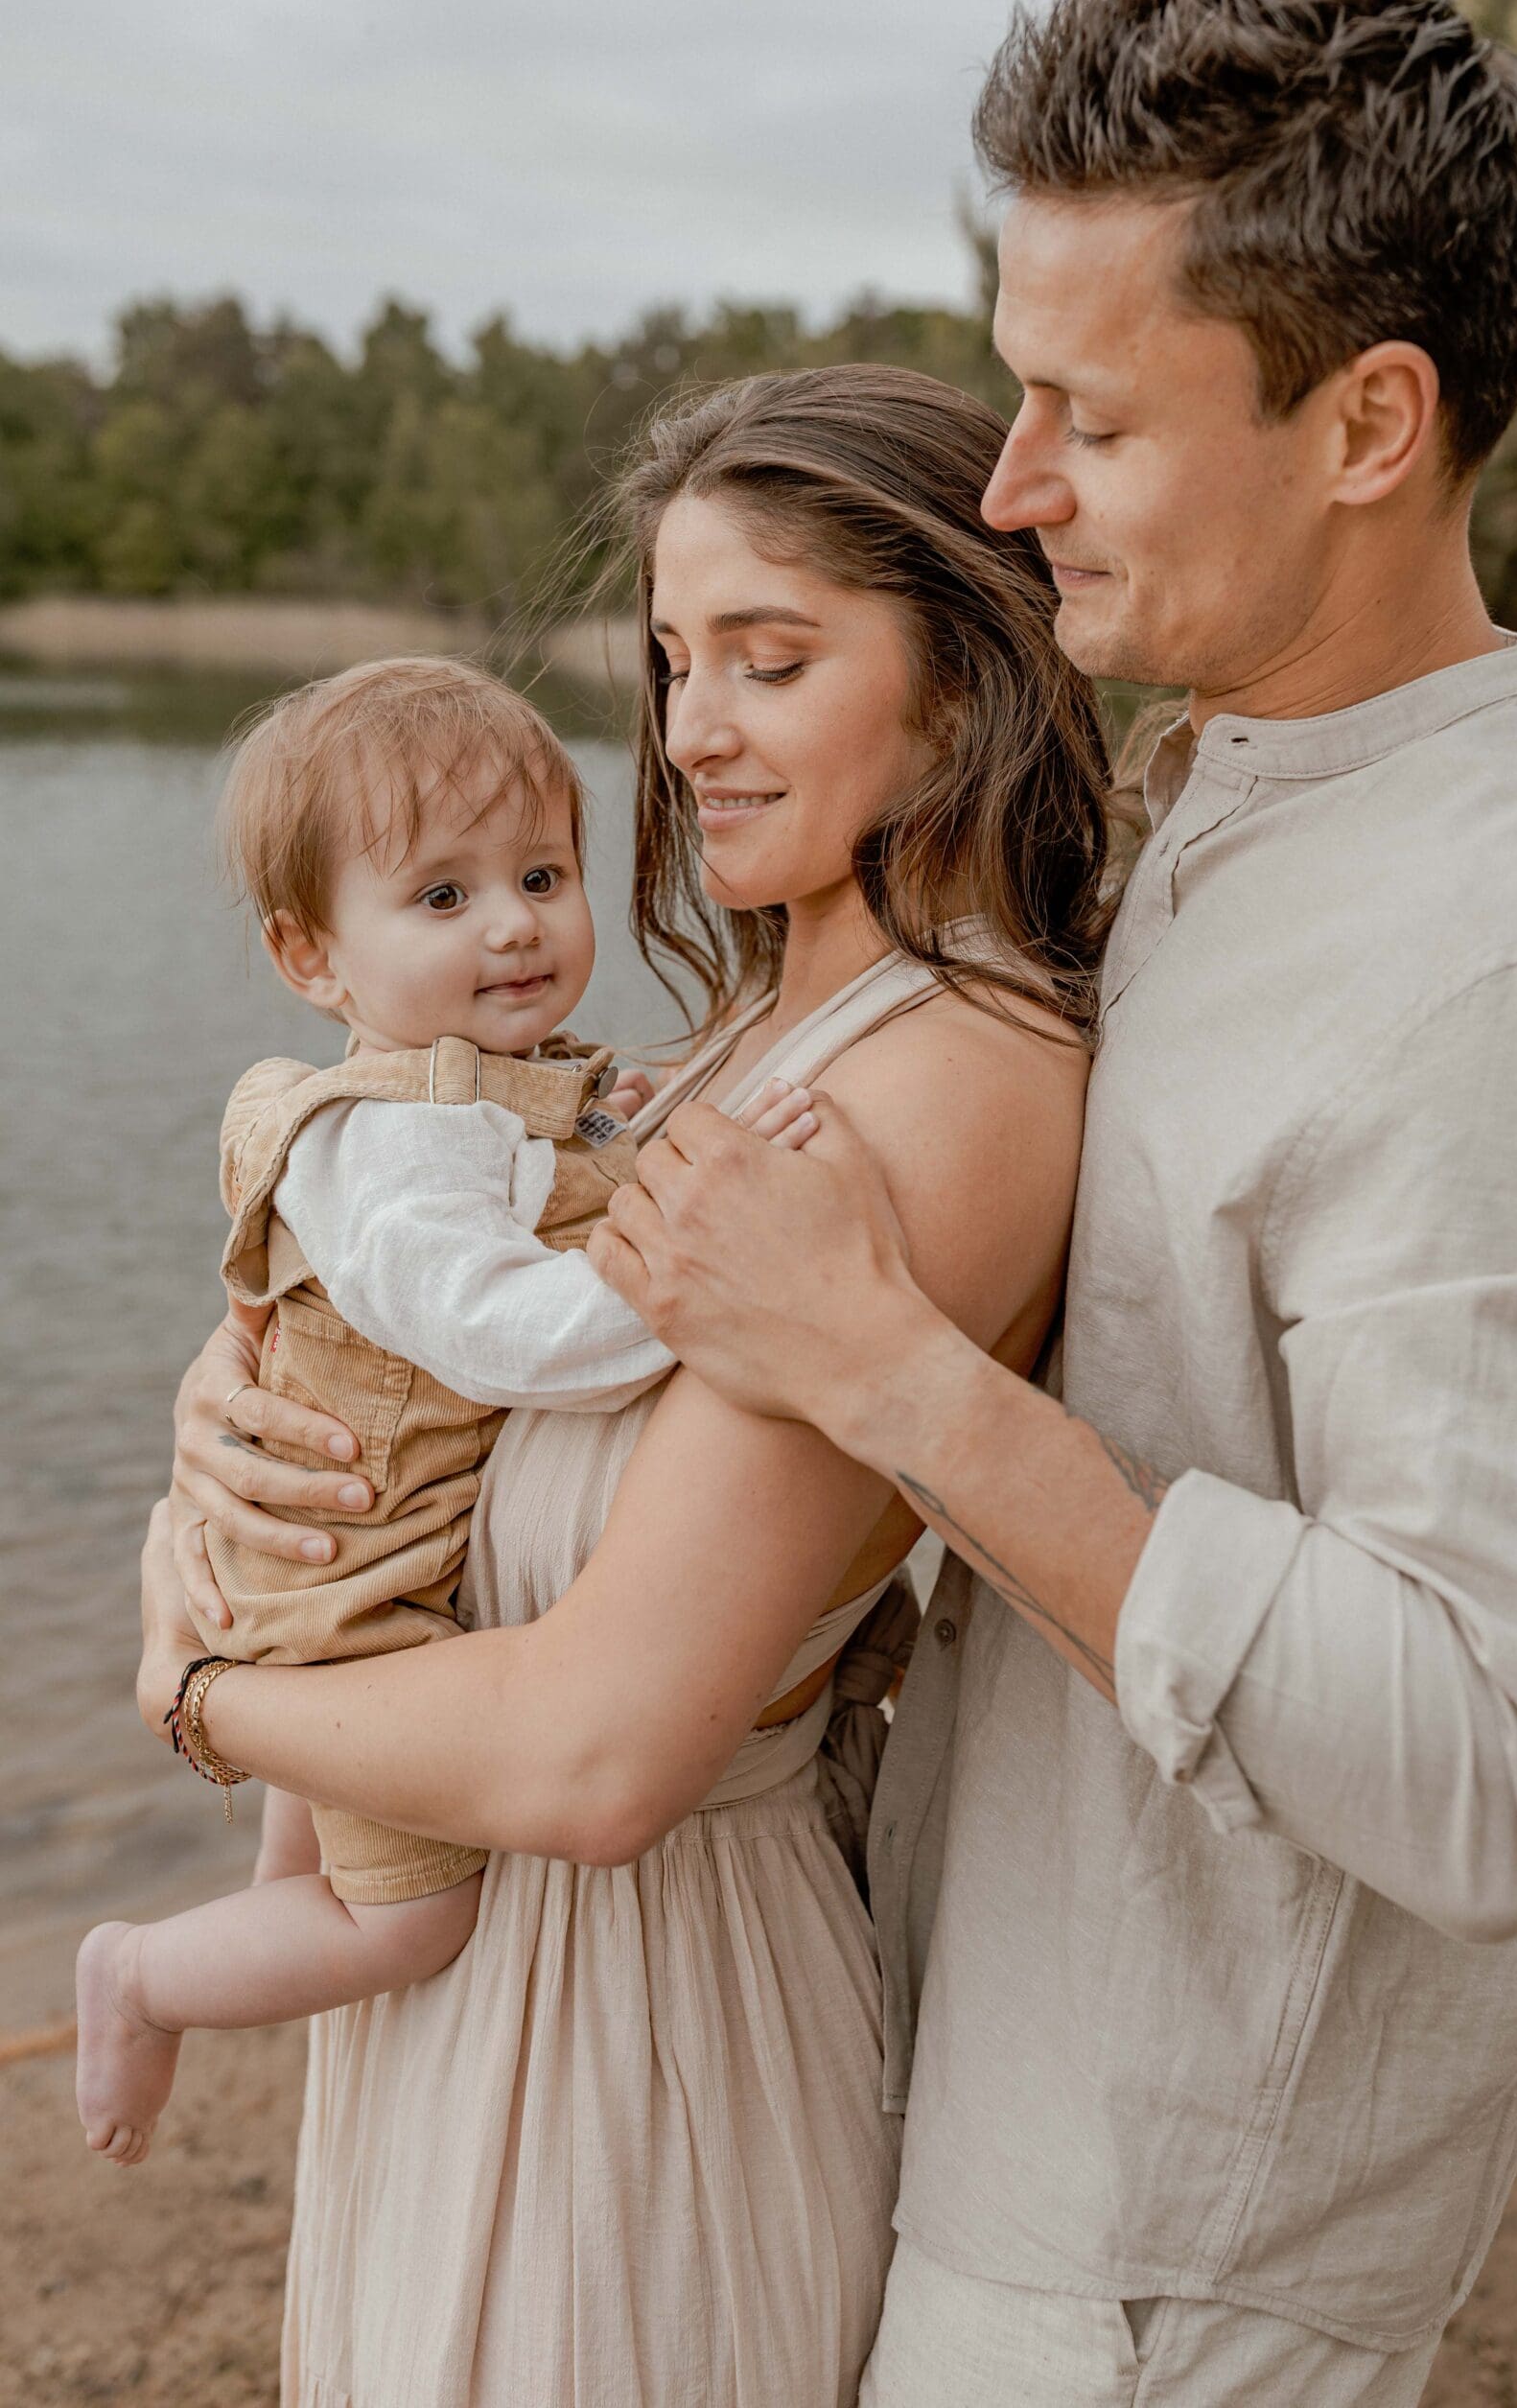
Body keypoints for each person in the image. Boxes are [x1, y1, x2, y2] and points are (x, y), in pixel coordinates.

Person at [590, 0, 1517, 2404]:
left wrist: (891, 1370)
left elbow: (1508, 1780)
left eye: (1093, 415)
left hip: (1148, 2281)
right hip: (971, 2125)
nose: (1009, 485)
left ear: (1367, 422)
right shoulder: (1207, 807)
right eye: (1015, 391)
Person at [138, 366, 1118, 2405]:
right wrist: (225, 1426)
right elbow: (453, 1347)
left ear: (961, 682)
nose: (686, 733)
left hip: (643, 2025)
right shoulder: (741, 1037)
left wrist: (200, 1692)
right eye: (673, 662)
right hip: (486, 1979)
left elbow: (599, 1754)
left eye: (769, 659)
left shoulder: (944, 1079)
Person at [76, 655, 811, 2168]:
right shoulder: (396, 1152)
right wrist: (694, 1280)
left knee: (310, 1877)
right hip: (347, 1595)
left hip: (353, 1561)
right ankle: (139, 1975)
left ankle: (237, 1969)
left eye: (541, 875)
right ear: (310, 956)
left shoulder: (487, 1084)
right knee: (405, 1924)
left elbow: (558, 1155)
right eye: (442, 896)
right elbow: (501, 1335)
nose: (514, 924)